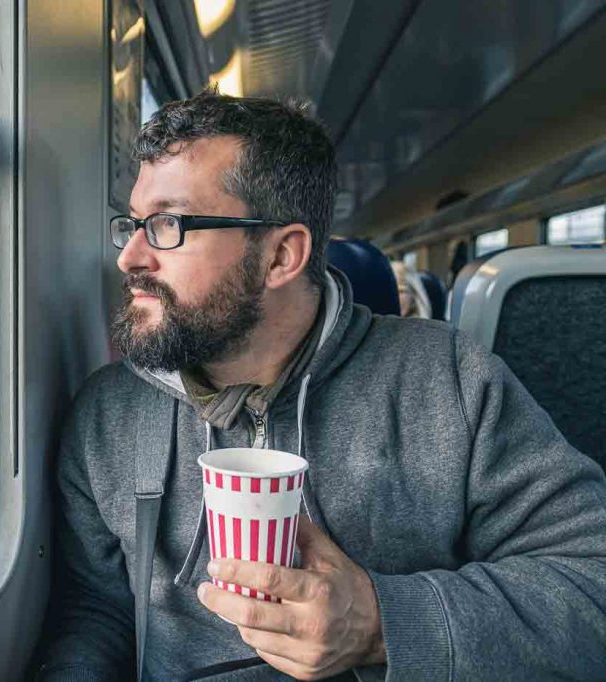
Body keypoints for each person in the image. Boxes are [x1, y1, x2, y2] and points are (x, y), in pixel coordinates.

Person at [35, 90, 606, 681]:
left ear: (282, 256)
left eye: (168, 225)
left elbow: (593, 585)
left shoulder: (448, 381)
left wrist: (382, 623)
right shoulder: (107, 414)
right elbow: (97, 610)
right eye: (132, 224)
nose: (130, 257)